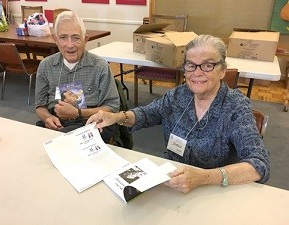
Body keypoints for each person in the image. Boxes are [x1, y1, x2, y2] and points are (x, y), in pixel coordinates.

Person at [87, 34, 270, 193]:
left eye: (207, 65)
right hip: (171, 181)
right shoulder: (177, 95)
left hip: (213, 189)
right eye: (191, 65)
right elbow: (147, 114)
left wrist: (203, 177)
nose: (197, 73)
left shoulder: (236, 107)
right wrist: (116, 117)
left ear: (222, 70)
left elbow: (259, 165)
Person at [35, 11, 120, 142]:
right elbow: (40, 106)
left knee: (62, 142)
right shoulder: (46, 66)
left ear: (85, 40)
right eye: (63, 37)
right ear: (55, 39)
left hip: (90, 124)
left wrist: (78, 113)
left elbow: (112, 107)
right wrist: (47, 118)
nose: (70, 45)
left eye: (76, 38)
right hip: (58, 123)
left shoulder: (99, 66)